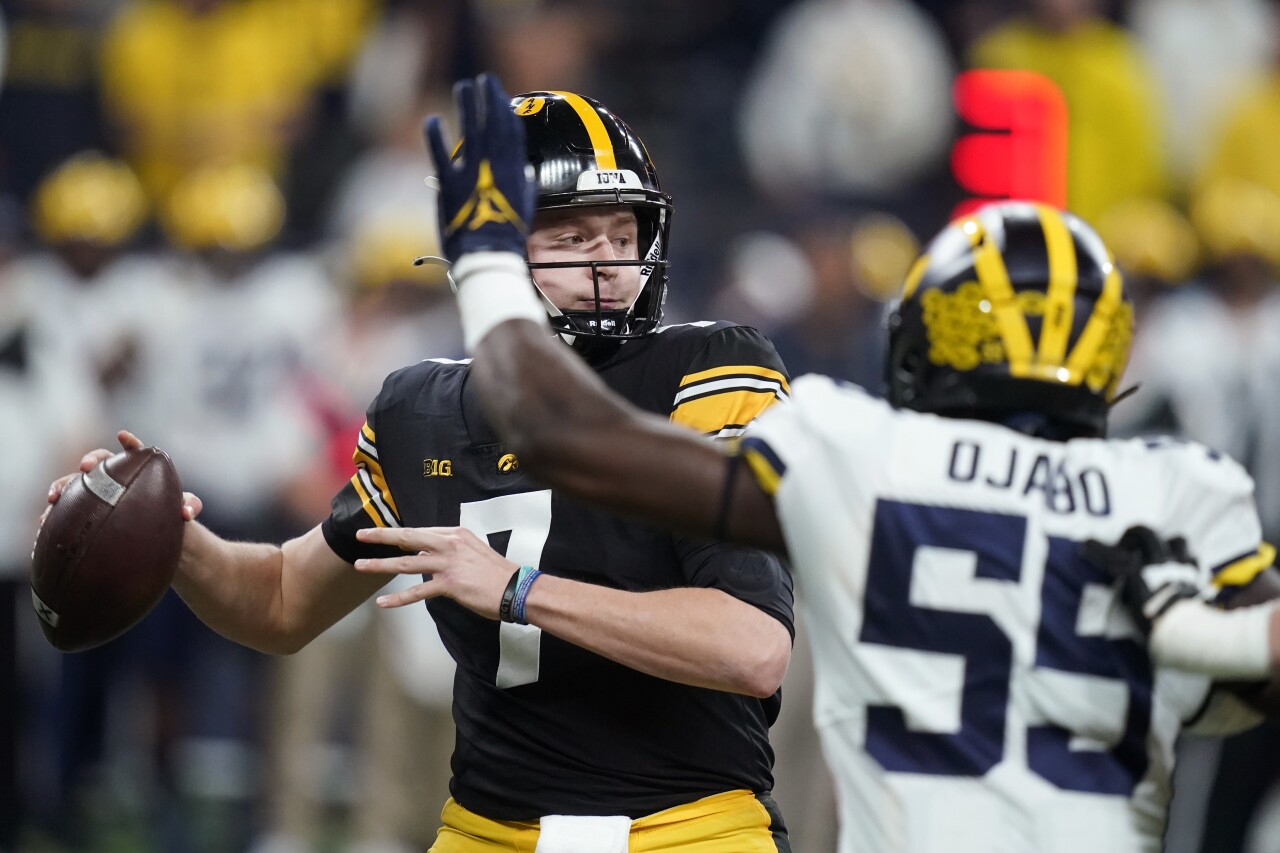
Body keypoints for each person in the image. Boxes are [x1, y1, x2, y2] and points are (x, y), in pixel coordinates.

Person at [419, 73, 1280, 853]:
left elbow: (565, 435)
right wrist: (1214, 634)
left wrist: (491, 262)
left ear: (919, 348)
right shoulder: (1175, 495)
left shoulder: (868, 456)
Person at [46, 88, 796, 851]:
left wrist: (518, 591)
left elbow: (750, 647)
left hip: (688, 828)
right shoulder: (422, 407)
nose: (609, 260)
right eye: (570, 237)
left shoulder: (707, 368)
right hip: (486, 830)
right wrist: (170, 538)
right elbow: (280, 600)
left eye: (621, 229)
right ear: (491, 256)